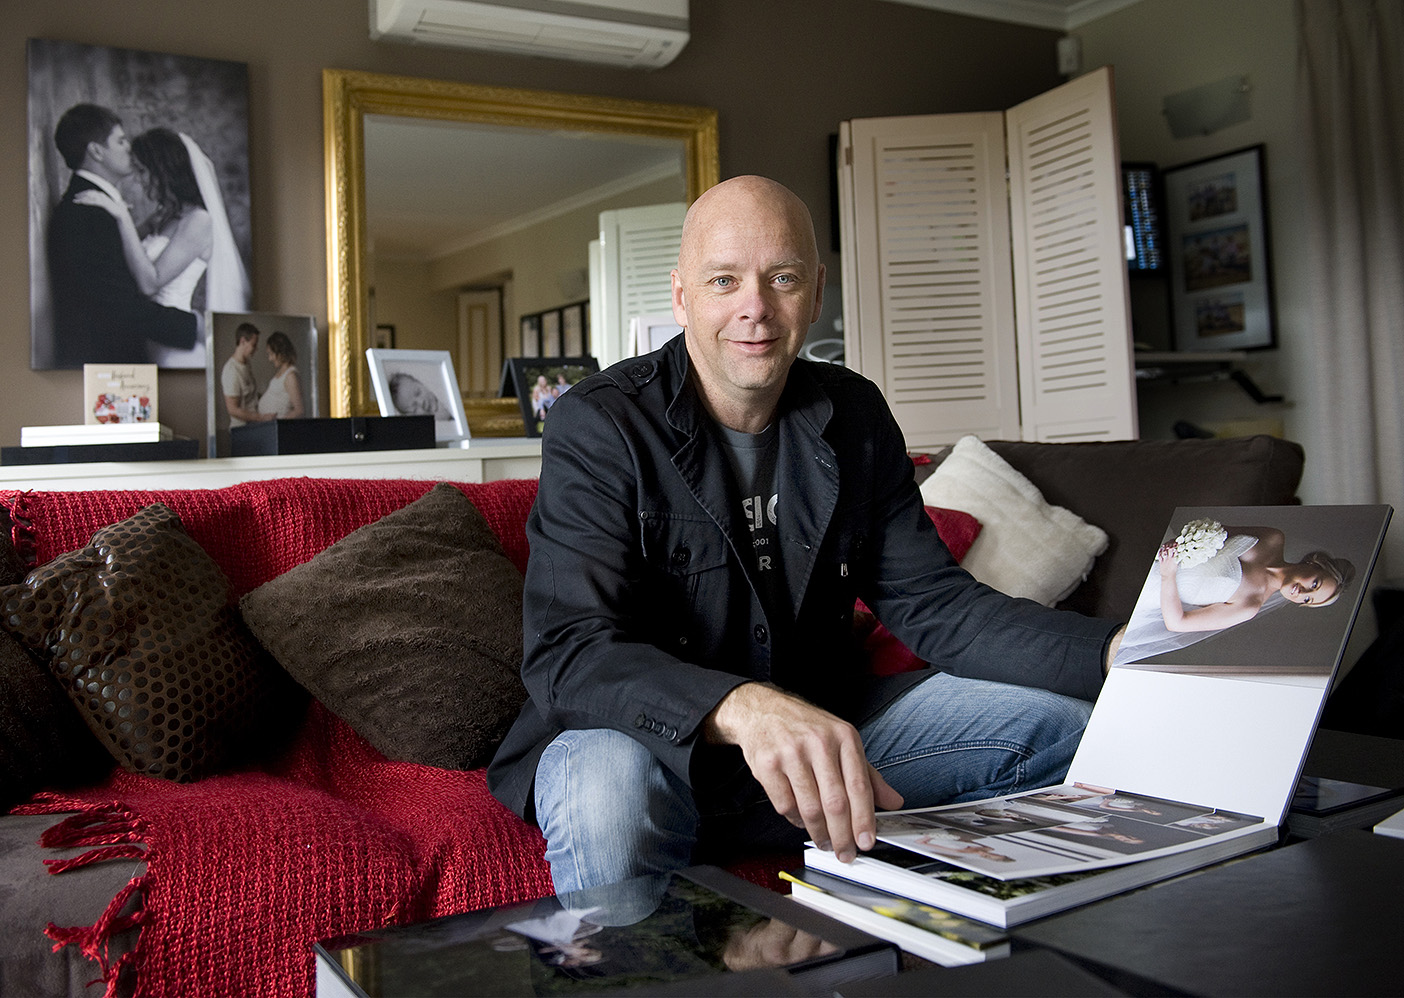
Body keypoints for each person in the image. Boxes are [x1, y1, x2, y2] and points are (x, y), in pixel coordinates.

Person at [486, 176, 1125, 895]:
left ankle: (958, 924)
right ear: (681, 297)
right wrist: (743, 706)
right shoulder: (600, 422)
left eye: (782, 278)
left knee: (1067, 725)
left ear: (816, 293)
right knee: (608, 798)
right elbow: (570, 652)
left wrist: (1119, 651)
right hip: (642, 742)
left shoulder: (855, 413)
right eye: (724, 280)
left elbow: (937, 606)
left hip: (819, 732)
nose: (755, 307)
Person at [74, 126, 250, 368]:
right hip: (149, 334)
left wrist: (122, 217)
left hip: (175, 342)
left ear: (163, 171)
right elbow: (125, 255)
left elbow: (150, 283)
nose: (139, 179)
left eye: (143, 171)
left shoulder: (199, 221)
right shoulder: (165, 215)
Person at [46, 104, 199, 367]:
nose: (129, 147)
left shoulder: (99, 207)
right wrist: (193, 325)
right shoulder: (86, 212)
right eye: (120, 140)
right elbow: (117, 304)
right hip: (106, 362)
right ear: (96, 151)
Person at [1113, 522, 1355, 666]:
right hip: (1157, 545)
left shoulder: (1249, 606)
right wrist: (1181, 544)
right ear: (1314, 563)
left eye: (1308, 600)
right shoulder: (1273, 538)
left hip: (1149, 589)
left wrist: (1168, 574)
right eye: (1314, 584)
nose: (1302, 593)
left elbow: (1177, 623)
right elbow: (1215, 530)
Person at [222, 322, 268, 427]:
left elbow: (251, 396)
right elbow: (233, 409)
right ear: (242, 341)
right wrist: (261, 418)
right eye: (253, 345)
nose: (256, 349)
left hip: (253, 426)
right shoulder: (231, 370)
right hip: (242, 429)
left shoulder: (246, 364)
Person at [257, 330, 304, 420]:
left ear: (280, 353)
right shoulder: (281, 373)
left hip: (279, 426)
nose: (270, 359)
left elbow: (299, 411)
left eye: (271, 354)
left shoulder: (291, 376)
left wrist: (278, 422)